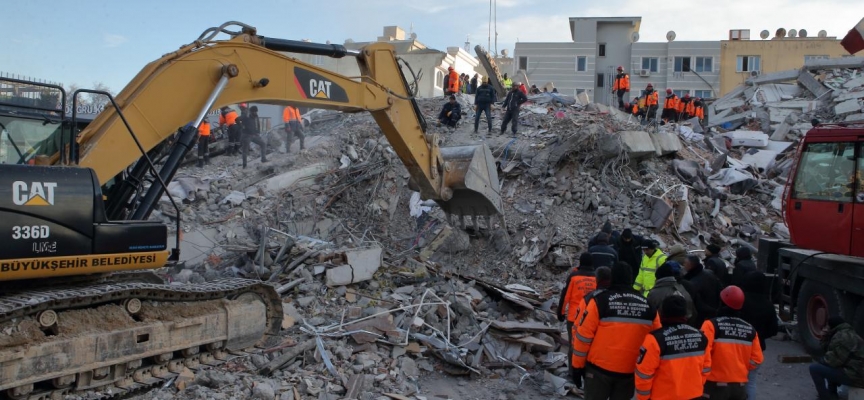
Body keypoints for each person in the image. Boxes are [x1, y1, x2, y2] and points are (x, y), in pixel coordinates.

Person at [572, 262, 661, 399]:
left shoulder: (599, 301)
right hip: (629, 373)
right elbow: (657, 343)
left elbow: (583, 336)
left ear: (612, 277)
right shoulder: (648, 306)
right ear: (631, 278)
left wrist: (577, 366)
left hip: (598, 371)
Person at [635, 295, 710, 400]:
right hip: (694, 395)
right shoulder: (701, 337)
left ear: (663, 313)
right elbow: (706, 368)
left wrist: (644, 397)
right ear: (685, 314)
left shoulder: (655, 339)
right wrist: (695, 386)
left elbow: (644, 374)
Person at [701, 286, 764, 400]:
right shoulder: (750, 329)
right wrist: (738, 368)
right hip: (739, 387)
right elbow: (756, 360)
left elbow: (702, 354)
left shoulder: (710, 325)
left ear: (721, 303)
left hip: (714, 386)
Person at [740, 271, 779, 400]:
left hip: (736, 347)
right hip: (757, 348)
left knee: (733, 381)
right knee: (751, 382)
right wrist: (759, 336)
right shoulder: (768, 305)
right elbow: (773, 329)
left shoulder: (740, 301)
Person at [558, 253, 597, 372]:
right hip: (591, 317)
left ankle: (572, 371)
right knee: (590, 345)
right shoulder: (596, 278)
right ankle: (587, 371)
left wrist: (560, 312)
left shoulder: (574, 276)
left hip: (574, 316)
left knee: (573, 345)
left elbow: (565, 297)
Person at [810, 316, 864, 400]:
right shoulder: (850, 333)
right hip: (857, 372)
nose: (826, 328)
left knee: (814, 368)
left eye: (827, 326)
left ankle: (825, 397)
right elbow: (831, 351)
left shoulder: (841, 337)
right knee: (828, 367)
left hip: (856, 376)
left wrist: (821, 361)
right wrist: (825, 337)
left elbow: (832, 361)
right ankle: (832, 394)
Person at [683, 255, 722, 327]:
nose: (683, 265)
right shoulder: (709, 273)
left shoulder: (693, 282)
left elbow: (695, 303)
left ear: (690, 265)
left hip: (701, 315)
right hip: (714, 310)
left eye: (685, 263)